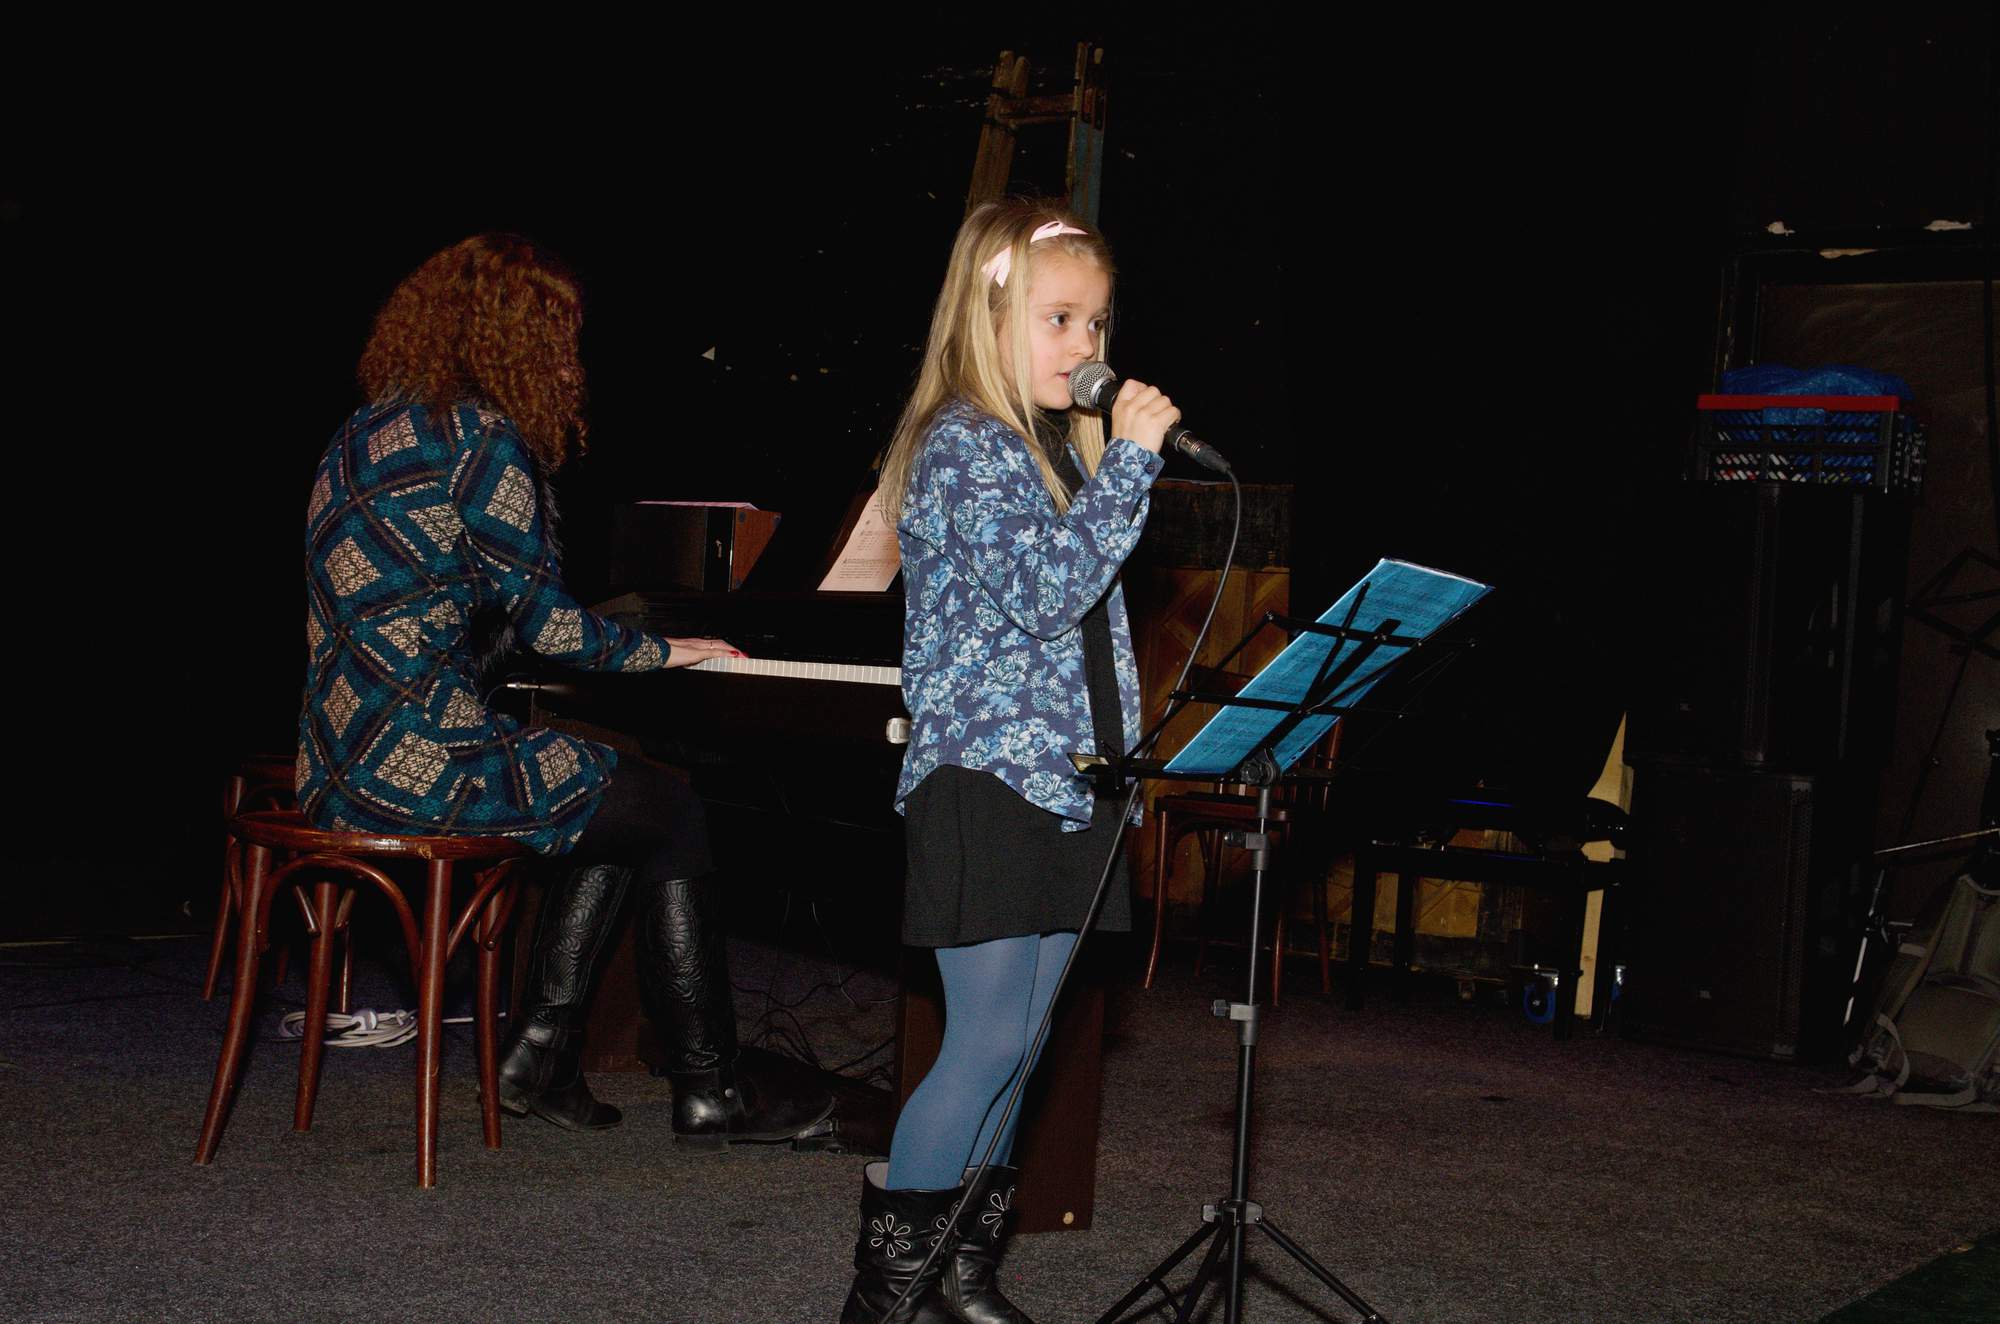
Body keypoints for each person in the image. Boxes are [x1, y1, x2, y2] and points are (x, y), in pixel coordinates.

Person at [296, 232, 831, 1147]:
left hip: (336, 756)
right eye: (561, 337)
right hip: (422, 761)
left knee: (617, 799)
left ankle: (542, 1054)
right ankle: (712, 1087)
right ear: (522, 337)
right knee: (674, 810)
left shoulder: (362, 431)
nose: (570, 360)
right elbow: (551, 629)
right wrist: (669, 651)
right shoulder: (483, 440)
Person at [839, 201, 1178, 1324]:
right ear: (988, 317)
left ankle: (959, 1272)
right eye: (1059, 319)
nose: (1086, 346)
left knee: (1022, 1048)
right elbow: (1044, 593)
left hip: (1069, 783)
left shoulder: (1054, 452)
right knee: (983, 1039)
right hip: (987, 778)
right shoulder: (962, 445)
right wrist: (1130, 466)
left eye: (1097, 322)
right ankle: (889, 1295)